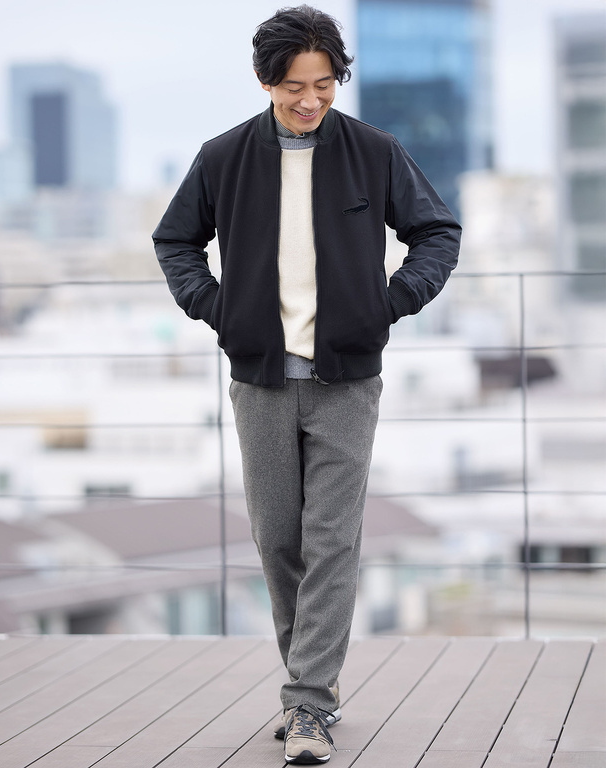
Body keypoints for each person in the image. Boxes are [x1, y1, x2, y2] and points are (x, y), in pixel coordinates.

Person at [153, 5, 461, 764]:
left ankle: (309, 704)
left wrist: (389, 302)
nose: (310, 100)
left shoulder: (373, 151)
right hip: (259, 378)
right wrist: (219, 309)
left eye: (324, 85)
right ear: (266, 81)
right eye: (295, 86)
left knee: (332, 541)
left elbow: (437, 232)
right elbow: (175, 240)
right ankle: (309, 687)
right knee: (278, 541)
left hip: (346, 380)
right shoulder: (224, 157)